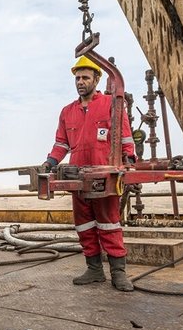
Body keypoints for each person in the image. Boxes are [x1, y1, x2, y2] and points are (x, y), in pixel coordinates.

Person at [42, 56, 135, 292]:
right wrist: (50, 162)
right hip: (77, 176)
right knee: (83, 224)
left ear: (96, 79)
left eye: (85, 77)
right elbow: (61, 144)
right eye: (77, 78)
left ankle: (118, 272)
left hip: (104, 175)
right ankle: (94, 269)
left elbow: (125, 136)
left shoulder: (111, 104)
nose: (80, 82)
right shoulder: (67, 112)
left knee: (109, 223)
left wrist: (129, 159)